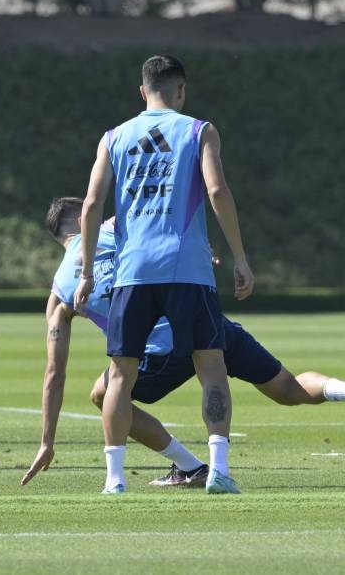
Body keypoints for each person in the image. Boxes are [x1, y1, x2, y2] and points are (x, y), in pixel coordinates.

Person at [21, 198, 345, 488]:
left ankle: (190, 467)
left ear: (59, 237)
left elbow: (55, 373)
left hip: (157, 353)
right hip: (206, 321)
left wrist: (46, 442)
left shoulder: (60, 291)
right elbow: (168, 221)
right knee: (289, 389)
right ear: (83, 216)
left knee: (103, 394)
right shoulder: (117, 226)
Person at [76, 54, 255, 495]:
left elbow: (91, 204)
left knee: (121, 375)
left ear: (142, 91)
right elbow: (216, 190)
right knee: (211, 366)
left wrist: (85, 273)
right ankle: (219, 471)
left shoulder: (114, 137)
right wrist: (239, 256)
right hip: (187, 268)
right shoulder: (199, 130)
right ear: (181, 91)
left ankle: (114, 480)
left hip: (132, 269)